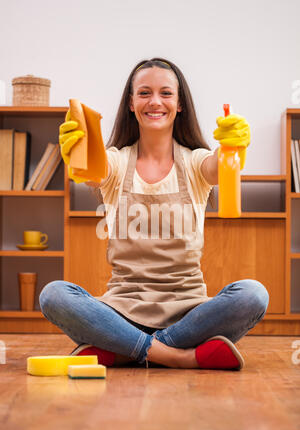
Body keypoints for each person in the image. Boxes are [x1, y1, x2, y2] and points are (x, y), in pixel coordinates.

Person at [39, 57, 269, 370]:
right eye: (144, 93)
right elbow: (95, 171)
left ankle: (124, 350)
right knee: (54, 295)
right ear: (131, 103)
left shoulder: (194, 163)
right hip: (121, 308)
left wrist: (234, 148)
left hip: (188, 310)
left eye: (166, 93)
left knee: (253, 295)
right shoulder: (117, 162)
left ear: (180, 104)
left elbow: (218, 166)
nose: (155, 102)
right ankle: (179, 356)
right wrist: (78, 151)